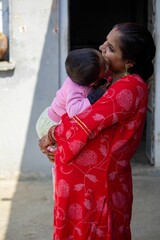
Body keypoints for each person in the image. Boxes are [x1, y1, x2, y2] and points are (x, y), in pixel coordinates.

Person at [39, 22, 156, 239]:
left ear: (129, 61)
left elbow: (85, 122)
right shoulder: (109, 79)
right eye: (105, 41)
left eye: (111, 48)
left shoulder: (128, 87)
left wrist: (52, 135)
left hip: (98, 185)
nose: (102, 48)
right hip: (87, 183)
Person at [36, 48, 108, 151]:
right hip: (53, 124)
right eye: (104, 66)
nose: (106, 63)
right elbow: (74, 111)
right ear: (92, 83)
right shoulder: (78, 89)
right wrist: (95, 96)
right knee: (58, 157)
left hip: (52, 115)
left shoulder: (78, 76)